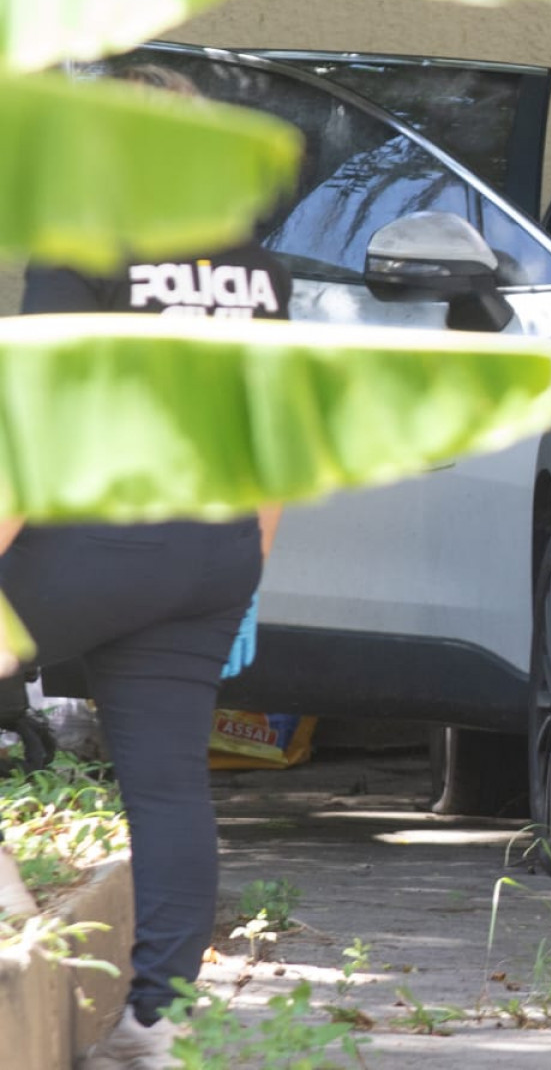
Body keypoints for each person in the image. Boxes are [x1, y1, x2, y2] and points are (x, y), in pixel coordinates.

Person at [0, 63, 292, 1069]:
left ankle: (4, 909)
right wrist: (247, 564)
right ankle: (150, 1026)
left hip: (92, 539)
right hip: (209, 551)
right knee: (168, 784)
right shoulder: (256, 268)